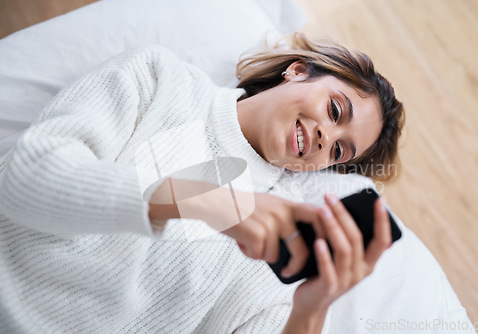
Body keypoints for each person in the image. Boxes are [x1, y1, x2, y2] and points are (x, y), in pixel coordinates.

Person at [0, 33, 404, 333]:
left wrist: (311, 311)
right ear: (297, 71)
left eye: (338, 152)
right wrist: (203, 200)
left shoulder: (276, 232)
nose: (325, 139)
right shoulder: (161, 80)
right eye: (335, 110)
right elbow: (22, 176)